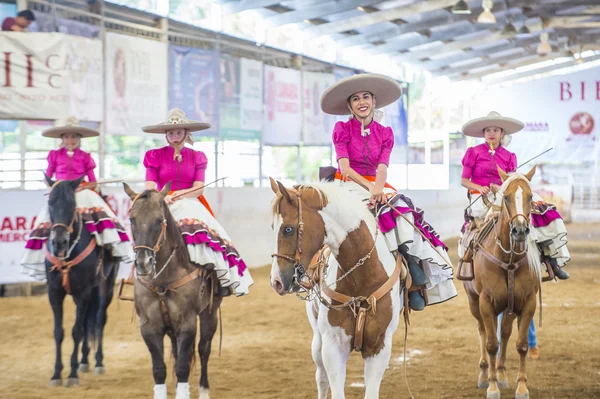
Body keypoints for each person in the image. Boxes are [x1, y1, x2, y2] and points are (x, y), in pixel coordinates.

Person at [320, 73, 457, 311]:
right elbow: (345, 168)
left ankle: (411, 274)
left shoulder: (385, 134)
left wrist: (379, 189)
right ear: (349, 105)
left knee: (403, 211)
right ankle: (314, 270)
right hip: (348, 183)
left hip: (377, 185)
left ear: (374, 101)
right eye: (355, 98)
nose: (361, 102)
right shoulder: (341, 128)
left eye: (366, 97)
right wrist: (370, 188)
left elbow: (382, 168)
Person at [142, 108, 253, 296]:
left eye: (178, 133)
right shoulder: (154, 155)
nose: (175, 137)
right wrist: (163, 196)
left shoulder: (197, 157)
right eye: (171, 133)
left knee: (204, 228)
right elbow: (150, 185)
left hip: (189, 201)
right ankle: (140, 271)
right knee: (143, 229)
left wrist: (179, 194)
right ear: (166, 135)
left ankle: (214, 274)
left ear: (186, 133)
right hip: (163, 201)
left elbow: (199, 188)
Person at [459, 111, 570, 280]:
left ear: (502, 133)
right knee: (487, 221)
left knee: (540, 211)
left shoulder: (509, 156)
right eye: (488, 130)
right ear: (483, 133)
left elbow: (511, 180)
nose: (491, 133)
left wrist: (502, 185)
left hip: (503, 194)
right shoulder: (473, 152)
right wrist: (480, 187)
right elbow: (464, 180)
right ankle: (471, 256)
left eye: (496, 130)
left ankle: (551, 259)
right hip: (479, 197)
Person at [21, 117, 132, 278]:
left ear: (79, 138)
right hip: (61, 194)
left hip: (82, 193)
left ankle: (110, 248)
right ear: (62, 139)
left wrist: (81, 186)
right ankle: (40, 255)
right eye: (67, 137)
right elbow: (48, 178)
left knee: (104, 217)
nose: (70, 140)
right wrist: (57, 186)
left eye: (74, 137)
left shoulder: (86, 157)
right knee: (44, 221)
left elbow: (92, 183)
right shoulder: (54, 155)